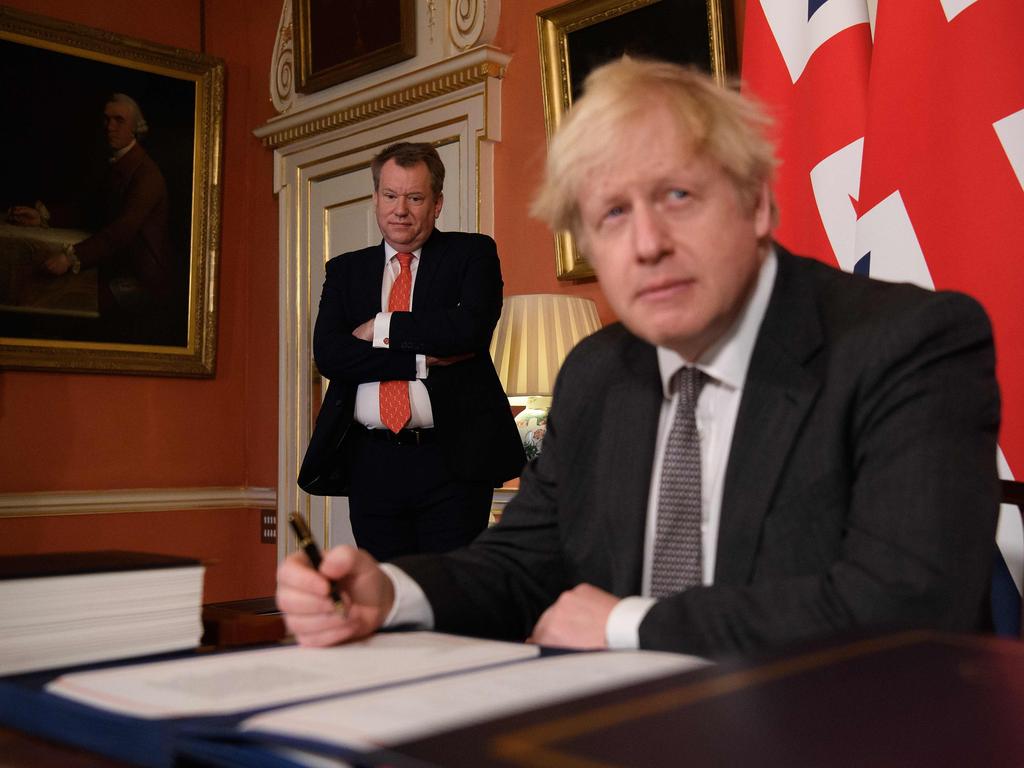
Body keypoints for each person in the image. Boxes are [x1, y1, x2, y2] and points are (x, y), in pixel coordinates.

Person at [277, 59, 1000, 658]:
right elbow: (521, 563)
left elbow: (909, 606)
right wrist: (392, 593)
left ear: (754, 203)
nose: (646, 243)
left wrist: (630, 625)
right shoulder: (598, 371)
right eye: (611, 214)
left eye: (677, 196)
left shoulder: (909, 344)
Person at [297, 141, 525, 561]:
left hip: (451, 462)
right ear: (375, 198)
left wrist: (379, 327)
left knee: (450, 597)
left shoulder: (471, 254)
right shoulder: (346, 270)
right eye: (390, 195)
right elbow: (331, 354)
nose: (400, 209)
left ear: (436, 204)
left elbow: (467, 331)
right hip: (372, 463)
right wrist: (419, 359)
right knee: (389, 597)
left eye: (415, 197)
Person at [7, 93, 176, 342]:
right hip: (114, 263)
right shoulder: (119, 163)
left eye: (119, 120)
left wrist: (70, 257)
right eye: (107, 119)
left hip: (139, 279)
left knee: (62, 310)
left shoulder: (146, 175)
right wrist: (44, 218)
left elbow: (122, 230)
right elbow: (90, 211)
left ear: (137, 128)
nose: (110, 127)